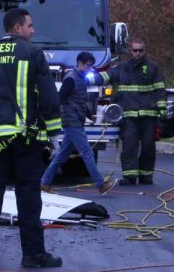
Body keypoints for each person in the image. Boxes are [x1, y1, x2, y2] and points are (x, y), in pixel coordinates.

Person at [0, 8, 63, 268]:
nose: (33, 30)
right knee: (28, 197)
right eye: (30, 25)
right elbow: (49, 96)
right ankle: (33, 255)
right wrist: (53, 134)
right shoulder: (33, 54)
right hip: (25, 140)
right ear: (17, 28)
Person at [40, 52, 118, 195]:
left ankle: (44, 183)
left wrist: (89, 115)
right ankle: (101, 185)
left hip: (76, 120)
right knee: (87, 152)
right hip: (72, 121)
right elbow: (59, 99)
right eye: (88, 66)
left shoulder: (81, 79)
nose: (90, 69)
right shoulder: (71, 80)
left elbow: (79, 100)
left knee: (61, 156)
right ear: (80, 64)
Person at [97, 38, 167, 185]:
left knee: (148, 147)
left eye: (141, 50)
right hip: (129, 117)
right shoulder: (122, 68)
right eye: (135, 50)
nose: (138, 53)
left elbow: (160, 91)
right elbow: (106, 76)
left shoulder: (153, 68)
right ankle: (129, 177)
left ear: (145, 51)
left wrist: (161, 115)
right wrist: (87, 77)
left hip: (149, 115)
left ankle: (146, 176)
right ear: (131, 51)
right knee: (129, 147)